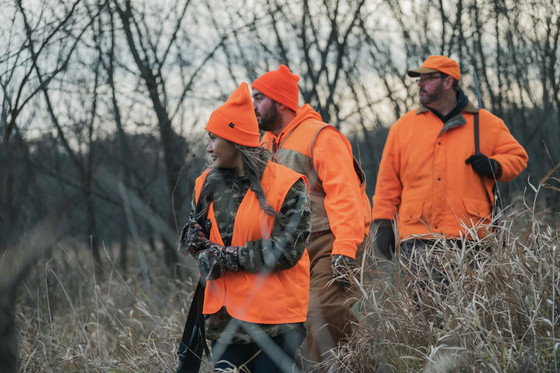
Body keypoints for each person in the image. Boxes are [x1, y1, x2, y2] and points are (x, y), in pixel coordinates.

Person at [178, 82, 312, 372]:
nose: (209, 148)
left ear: (235, 140)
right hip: (223, 320)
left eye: (214, 139)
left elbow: (287, 251)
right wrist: (194, 240)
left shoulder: (288, 185)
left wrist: (228, 257)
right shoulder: (204, 184)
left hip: (275, 321)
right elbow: (204, 243)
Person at [371, 55, 528, 292]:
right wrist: (383, 224)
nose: (420, 84)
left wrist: (495, 166)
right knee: (425, 315)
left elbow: (518, 157)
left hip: (470, 237)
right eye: (419, 79)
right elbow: (387, 182)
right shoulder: (402, 128)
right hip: (418, 239)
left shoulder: (486, 123)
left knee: (473, 315)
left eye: (428, 78)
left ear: (448, 82)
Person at [251, 65, 372, 366]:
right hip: (290, 249)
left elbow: (346, 197)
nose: (253, 105)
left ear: (281, 102)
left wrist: (345, 250)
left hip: (330, 241)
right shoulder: (265, 145)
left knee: (326, 314)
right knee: (292, 326)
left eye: (259, 98)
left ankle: (350, 366)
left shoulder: (321, 137)